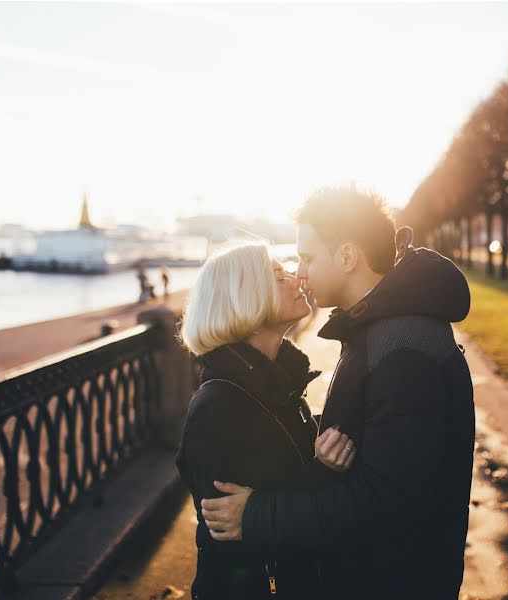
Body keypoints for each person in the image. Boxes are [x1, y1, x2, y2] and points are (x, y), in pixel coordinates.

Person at [200, 185, 475, 599]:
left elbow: (388, 502)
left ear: (346, 256)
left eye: (307, 257)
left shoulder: (402, 350)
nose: (300, 271)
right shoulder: (383, 331)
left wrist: (257, 517)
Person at [176, 241, 359, 600]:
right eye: (279, 276)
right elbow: (231, 528)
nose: (296, 280)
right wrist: (324, 468)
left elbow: (277, 472)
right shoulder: (220, 405)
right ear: (244, 296)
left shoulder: (275, 381)